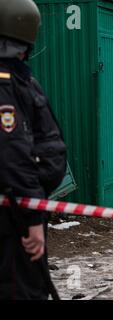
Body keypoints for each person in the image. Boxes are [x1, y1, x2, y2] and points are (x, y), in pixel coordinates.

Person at [0, 0, 67, 299]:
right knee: (22, 291)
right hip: (14, 219)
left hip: (20, 209)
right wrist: (31, 220)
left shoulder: (18, 78)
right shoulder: (5, 84)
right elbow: (12, 155)